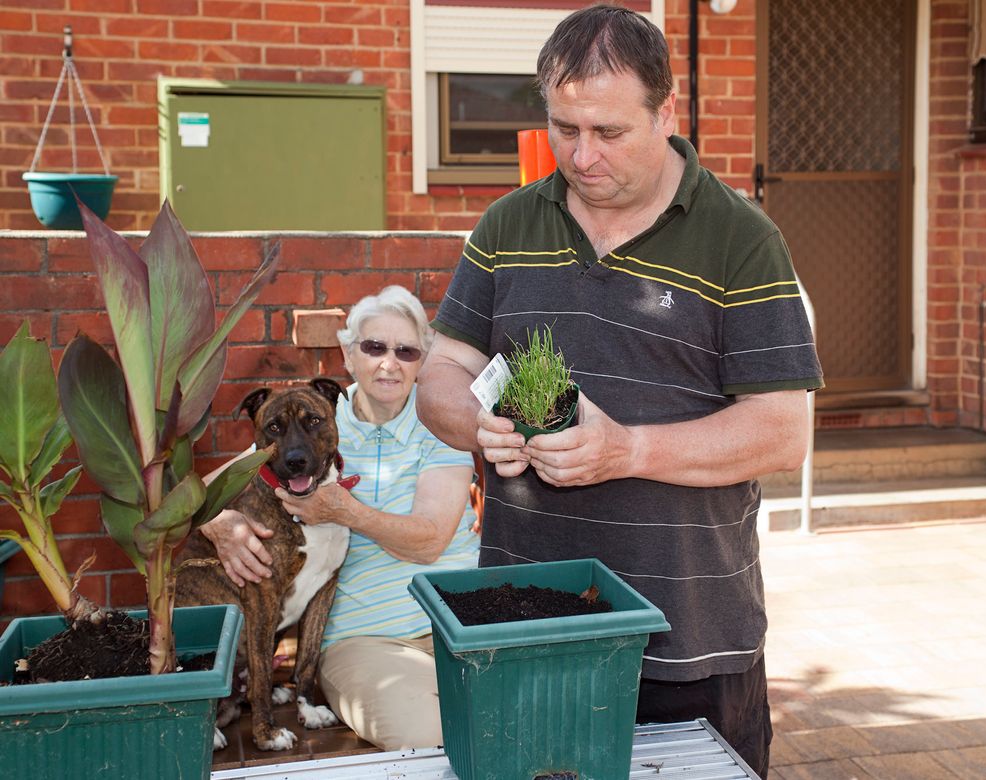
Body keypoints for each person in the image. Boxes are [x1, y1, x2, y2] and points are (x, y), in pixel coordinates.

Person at [414, 4, 823, 774]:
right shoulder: (505, 227)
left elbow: (781, 429)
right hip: (525, 628)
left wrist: (627, 449)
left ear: (667, 112)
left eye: (609, 132)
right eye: (565, 129)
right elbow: (442, 374)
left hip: (689, 641)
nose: (582, 155)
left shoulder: (741, 239)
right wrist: (476, 426)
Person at [201, 285, 480, 751]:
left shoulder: (439, 421)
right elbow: (206, 491)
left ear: (422, 362)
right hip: (366, 639)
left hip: (460, 621)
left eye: (406, 351)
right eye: (373, 347)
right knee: (425, 733)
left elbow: (428, 541)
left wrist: (347, 512)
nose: (389, 363)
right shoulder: (312, 417)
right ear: (349, 356)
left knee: (514, 711)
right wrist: (221, 524)